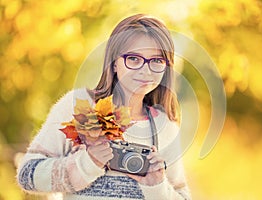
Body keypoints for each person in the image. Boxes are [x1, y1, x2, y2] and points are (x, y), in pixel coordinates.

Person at [17, 14, 191, 200]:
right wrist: (87, 164)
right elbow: (27, 174)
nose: (146, 70)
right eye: (133, 58)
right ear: (114, 63)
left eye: (156, 60)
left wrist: (157, 186)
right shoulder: (79, 106)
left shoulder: (165, 126)